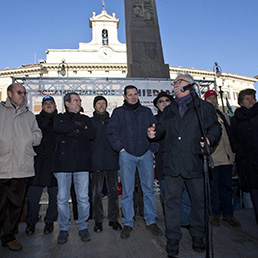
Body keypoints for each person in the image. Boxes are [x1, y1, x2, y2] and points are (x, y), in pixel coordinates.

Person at [148, 73, 221, 257]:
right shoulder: (169, 109)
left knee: (198, 202)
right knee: (171, 203)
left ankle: (198, 235)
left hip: (194, 161)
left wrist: (209, 139)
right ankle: (172, 239)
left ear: (189, 85)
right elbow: (162, 129)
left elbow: (215, 127)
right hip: (172, 163)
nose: (175, 85)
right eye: (174, 83)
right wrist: (153, 133)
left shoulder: (202, 107)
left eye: (178, 82)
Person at [107, 85, 162, 239]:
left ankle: (151, 221)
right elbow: (111, 132)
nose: (133, 97)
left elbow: (155, 130)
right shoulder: (118, 113)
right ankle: (128, 223)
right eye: (130, 94)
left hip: (145, 154)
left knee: (148, 190)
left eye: (135, 94)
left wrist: (152, 148)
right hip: (127, 156)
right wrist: (120, 148)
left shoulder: (146, 111)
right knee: (127, 191)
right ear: (124, 96)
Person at [0, 83, 42, 251]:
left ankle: (9, 237)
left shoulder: (29, 115)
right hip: (2, 166)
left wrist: (29, 139)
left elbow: (37, 135)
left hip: (22, 167)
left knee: (15, 206)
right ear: (9, 94)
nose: (22, 95)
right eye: (19, 92)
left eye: (24, 93)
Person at [52, 92, 96, 244]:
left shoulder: (86, 119)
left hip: (82, 164)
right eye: (75, 101)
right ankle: (63, 228)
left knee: (83, 198)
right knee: (62, 198)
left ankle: (83, 226)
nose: (78, 103)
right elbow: (59, 128)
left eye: (79, 101)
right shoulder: (59, 118)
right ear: (67, 103)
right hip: (62, 164)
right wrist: (78, 128)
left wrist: (71, 130)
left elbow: (91, 134)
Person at [204, 90, 241, 227]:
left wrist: (232, 154)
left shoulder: (223, 115)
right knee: (213, 188)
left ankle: (228, 214)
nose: (213, 101)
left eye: (214, 98)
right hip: (213, 157)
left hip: (226, 157)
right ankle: (215, 214)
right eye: (210, 99)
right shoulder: (204, 116)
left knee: (227, 187)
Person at [25, 96, 58, 235]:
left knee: (54, 195)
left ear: (55, 106)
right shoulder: (35, 120)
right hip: (37, 163)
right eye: (46, 104)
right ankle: (31, 222)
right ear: (42, 106)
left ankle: (49, 221)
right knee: (33, 196)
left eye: (51, 103)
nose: (49, 106)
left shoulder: (60, 120)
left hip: (55, 163)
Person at [90, 96, 122, 233]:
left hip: (111, 161)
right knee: (96, 193)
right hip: (95, 163)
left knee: (113, 192)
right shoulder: (90, 122)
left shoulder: (113, 121)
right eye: (98, 103)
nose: (101, 105)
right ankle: (98, 221)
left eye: (103, 103)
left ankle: (113, 219)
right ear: (94, 106)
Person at [230, 88, 258, 224]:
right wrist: (238, 149)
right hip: (247, 161)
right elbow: (233, 137)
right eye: (247, 98)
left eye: (252, 97)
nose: (250, 100)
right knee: (254, 193)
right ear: (241, 102)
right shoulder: (236, 119)